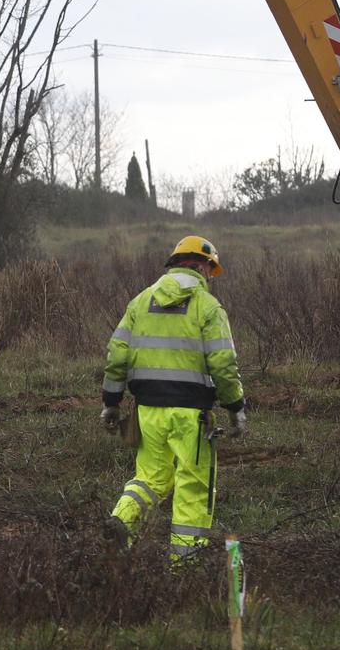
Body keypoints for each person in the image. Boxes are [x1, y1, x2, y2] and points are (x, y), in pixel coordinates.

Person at [100, 236, 245, 562]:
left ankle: (121, 520)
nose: (210, 276)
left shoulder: (140, 301)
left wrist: (111, 400)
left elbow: (117, 355)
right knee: (193, 488)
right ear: (200, 265)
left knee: (149, 478)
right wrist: (235, 407)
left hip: (147, 411)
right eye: (210, 269)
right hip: (191, 416)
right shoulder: (208, 307)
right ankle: (185, 565)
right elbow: (223, 363)